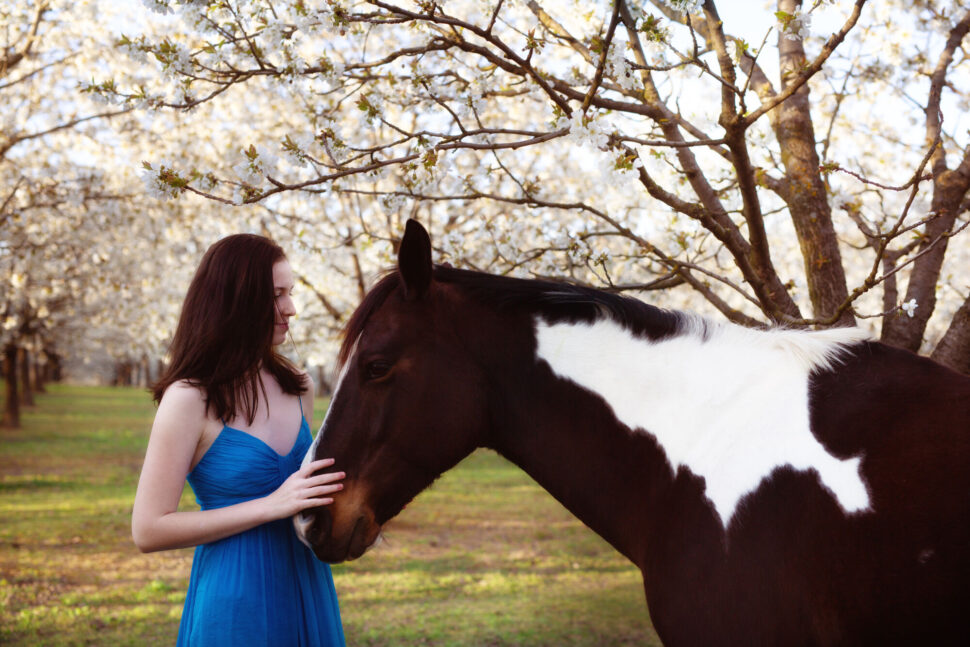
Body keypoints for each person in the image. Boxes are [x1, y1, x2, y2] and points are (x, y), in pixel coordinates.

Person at [132, 234, 346, 646]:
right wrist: (269, 506)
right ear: (236, 301)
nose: (291, 309)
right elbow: (148, 529)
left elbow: (304, 493)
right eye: (276, 295)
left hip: (307, 584)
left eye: (291, 293)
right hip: (235, 598)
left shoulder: (300, 387)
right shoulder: (190, 398)